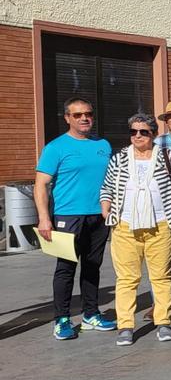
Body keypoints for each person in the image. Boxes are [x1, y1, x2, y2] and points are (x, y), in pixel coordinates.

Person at [99, 113, 171, 345]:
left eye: (143, 131)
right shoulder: (119, 159)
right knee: (127, 278)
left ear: (153, 134)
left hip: (161, 226)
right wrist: (106, 210)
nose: (137, 136)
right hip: (125, 226)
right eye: (133, 131)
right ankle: (125, 326)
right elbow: (106, 186)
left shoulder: (166, 156)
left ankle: (163, 322)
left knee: (162, 277)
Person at [35, 97, 117, 340]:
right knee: (66, 268)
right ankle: (61, 319)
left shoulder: (103, 144)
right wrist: (43, 218)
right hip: (67, 217)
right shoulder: (56, 147)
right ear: (67, 118)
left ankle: (91, 314)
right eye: (78, 114)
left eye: (88, 114)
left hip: (99, 216)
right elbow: (41, 184)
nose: (84, 118)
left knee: (92, 266)